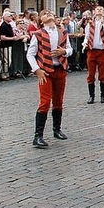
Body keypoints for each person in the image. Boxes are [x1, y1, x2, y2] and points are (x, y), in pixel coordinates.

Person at [26, 10, 73, 148]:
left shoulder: (62, 32)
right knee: (45, 101)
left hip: (60, 70)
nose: (48, 13)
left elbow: (70, 49)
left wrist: (64, 52)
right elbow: (30, 54)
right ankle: (38, 136)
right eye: (44, 13)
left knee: (58, 101)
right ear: (41, 19)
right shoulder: (38, 34)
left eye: (50, 12)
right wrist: (37, 69)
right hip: (45, 71)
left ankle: (57, 129)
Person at [83, 6, 104, 104]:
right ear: (94, 12)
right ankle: (91, 96)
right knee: (91, 74)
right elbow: (87, 36)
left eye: (101, 10)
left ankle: (103, 95)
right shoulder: (90, 24)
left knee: (102, 74)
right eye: (97, 9)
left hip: (102, 51)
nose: (99, 11)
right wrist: (84, 43)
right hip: (92, 51)